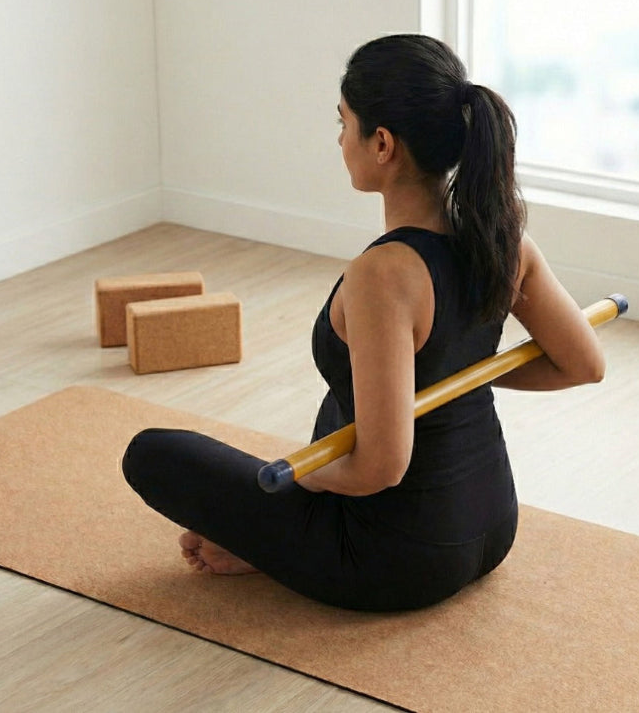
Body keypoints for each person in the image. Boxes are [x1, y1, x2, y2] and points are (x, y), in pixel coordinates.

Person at [122, 34, 605, 612]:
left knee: (151, 453)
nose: (339, 139)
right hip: (493, 523)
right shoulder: (505, 242)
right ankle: (270, 539)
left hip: (398, 559)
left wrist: (299, 478)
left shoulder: (384, 276)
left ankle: (268, 543)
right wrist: (462, 368)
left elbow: (380, 466)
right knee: (345, 411)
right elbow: (584, 363)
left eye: (343, 122)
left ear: (381, 143)